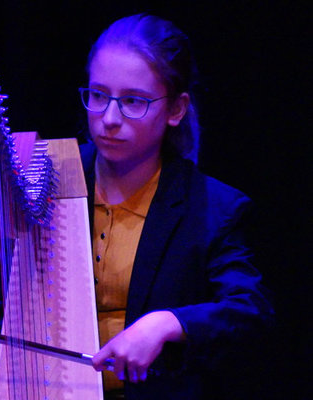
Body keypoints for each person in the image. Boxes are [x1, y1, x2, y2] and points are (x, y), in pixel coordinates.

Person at [78, 14, 274, 399]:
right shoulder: (47, 181)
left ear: (176, 109)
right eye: (99, 95)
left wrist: (167, 323)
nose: (109, 118)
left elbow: (252, 309)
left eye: (133, 101)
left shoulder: (213, 209)